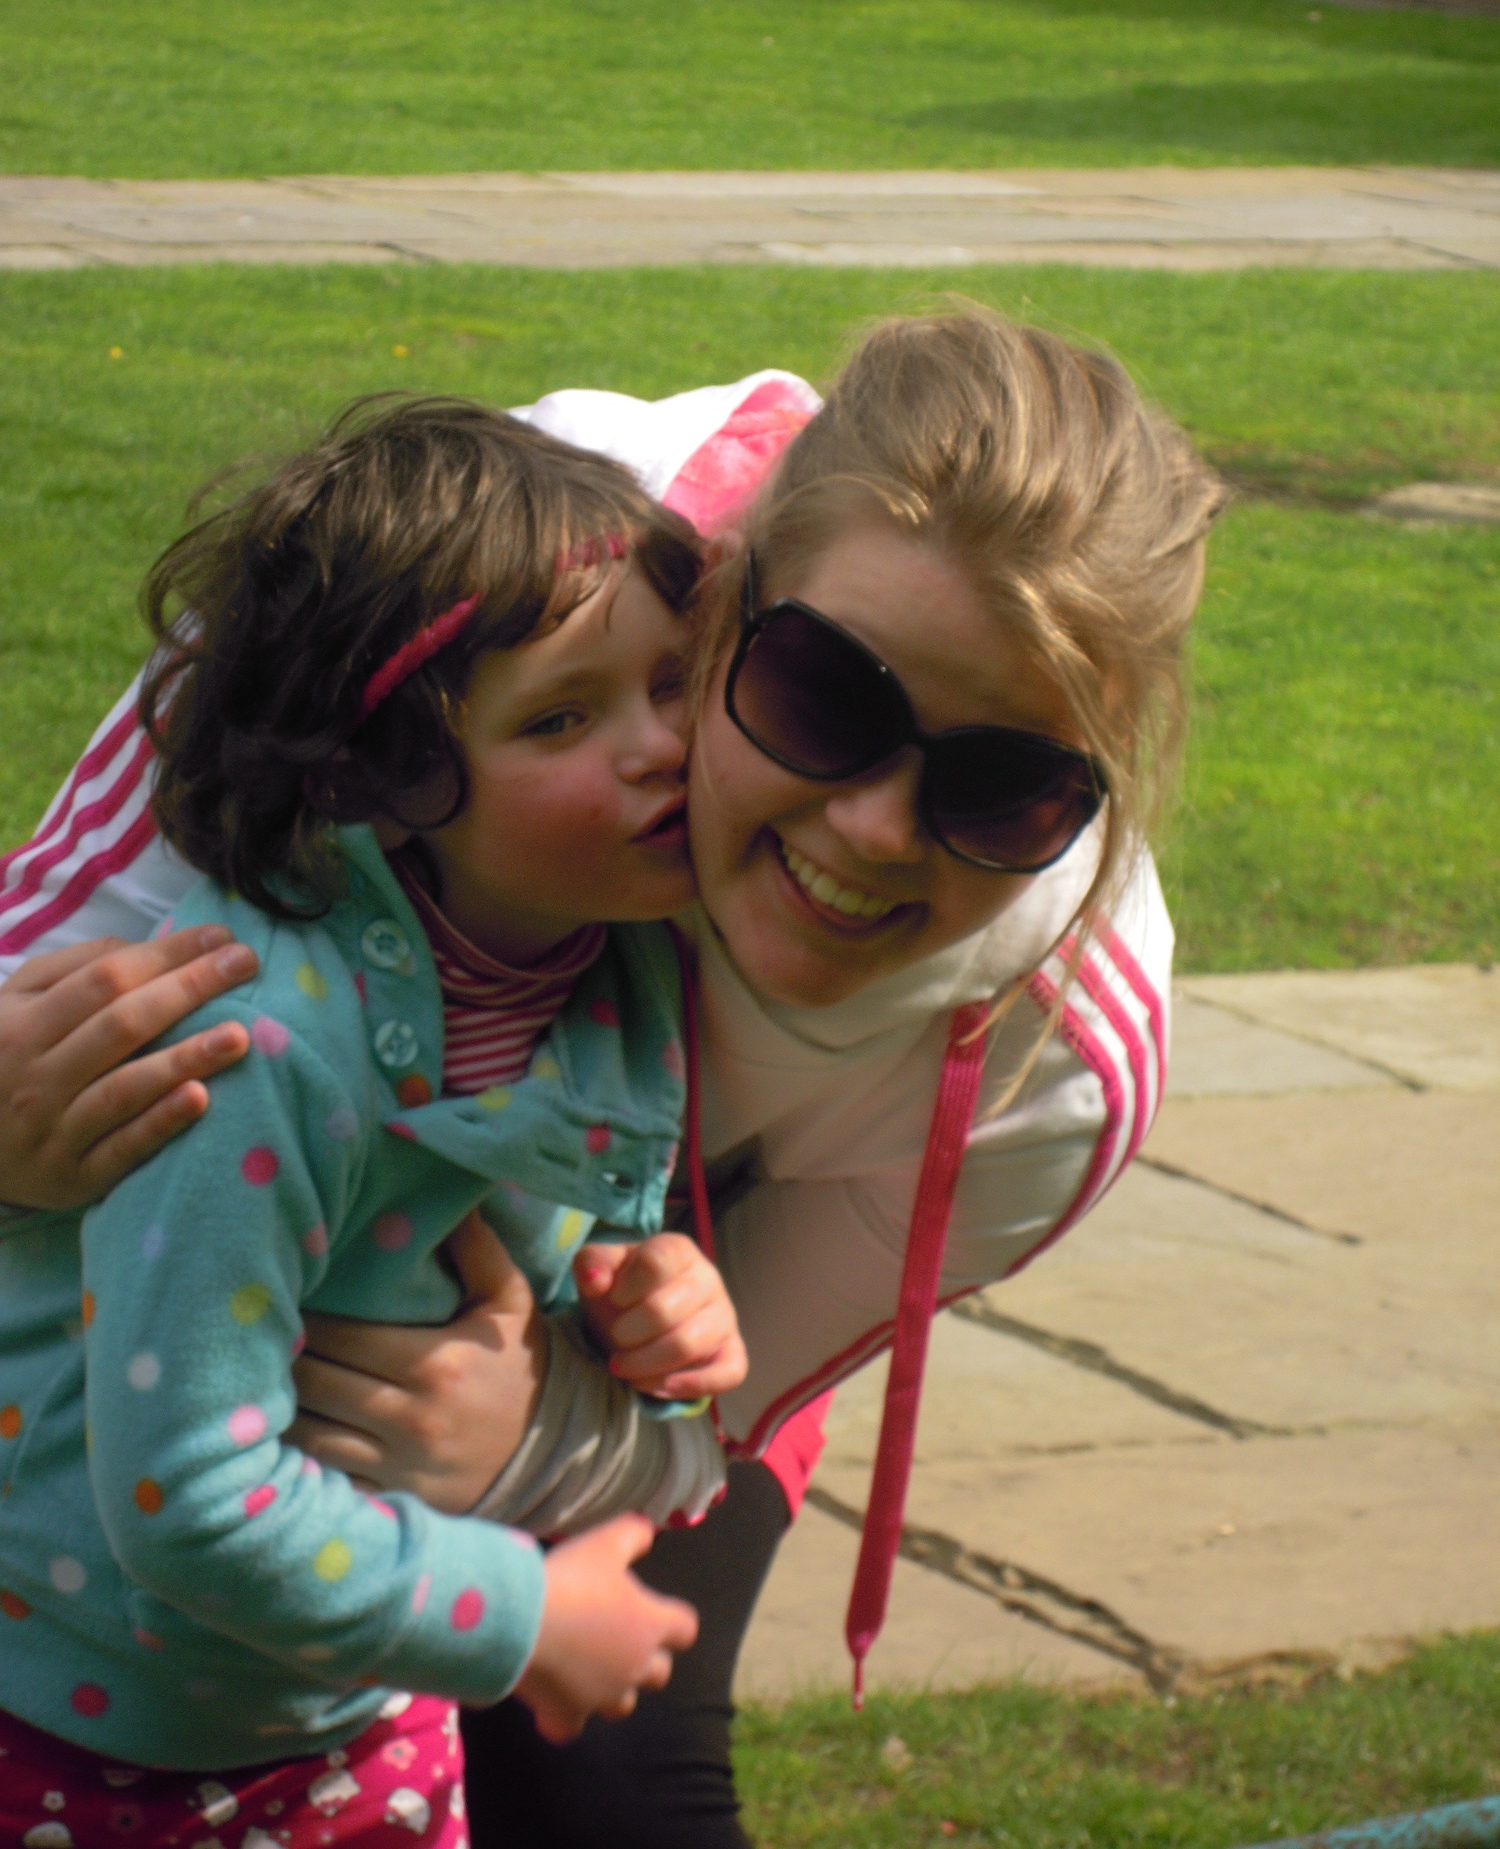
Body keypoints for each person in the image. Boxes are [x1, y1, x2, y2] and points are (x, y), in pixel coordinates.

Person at [0, 308, 1226, 1848]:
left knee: (608, 1789)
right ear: (718, 598)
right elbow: (59, 972)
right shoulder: (467, 570)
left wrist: (540, 1436)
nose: (873, 830)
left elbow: (712, 1410)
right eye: (825, 696)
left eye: (1006, 787)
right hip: (131, 1407)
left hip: (587, 1318)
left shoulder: (1060, 1063)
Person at [0, 397, 762, 1843]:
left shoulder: (619, 967)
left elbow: (580, 1260)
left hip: (348, 1713)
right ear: (381, 778)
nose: (661, 747)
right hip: (75, 1725)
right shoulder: (265, 1049)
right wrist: (521, 1617)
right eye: (563, 715)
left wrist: (660, 1312)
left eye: (676, 682)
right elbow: (186, 1496)